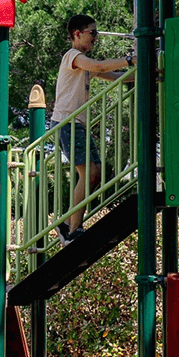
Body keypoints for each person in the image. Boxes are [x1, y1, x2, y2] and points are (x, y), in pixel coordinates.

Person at [50, 14, 134, 243]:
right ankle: (71, 229)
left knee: (94, 173)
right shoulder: (73, 57)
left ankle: (69, 225)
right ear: (77, 34)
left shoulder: (86, 64)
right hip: (67, 122)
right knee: (88, 173)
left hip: (77, 124)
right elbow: (99, 65)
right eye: (93, 33)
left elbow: (118, 77)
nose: (96, 38)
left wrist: (152, 71)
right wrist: (129, 59)